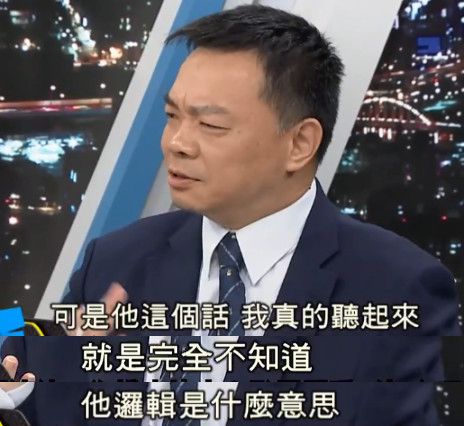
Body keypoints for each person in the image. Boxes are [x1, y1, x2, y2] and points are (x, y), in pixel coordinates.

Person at [0, 4, 461, 426]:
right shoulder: (116, 260)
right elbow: (40, 399)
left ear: (299, 143)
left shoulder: (397, 289)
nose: (176, 143)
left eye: (210, 124)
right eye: (172, 116)